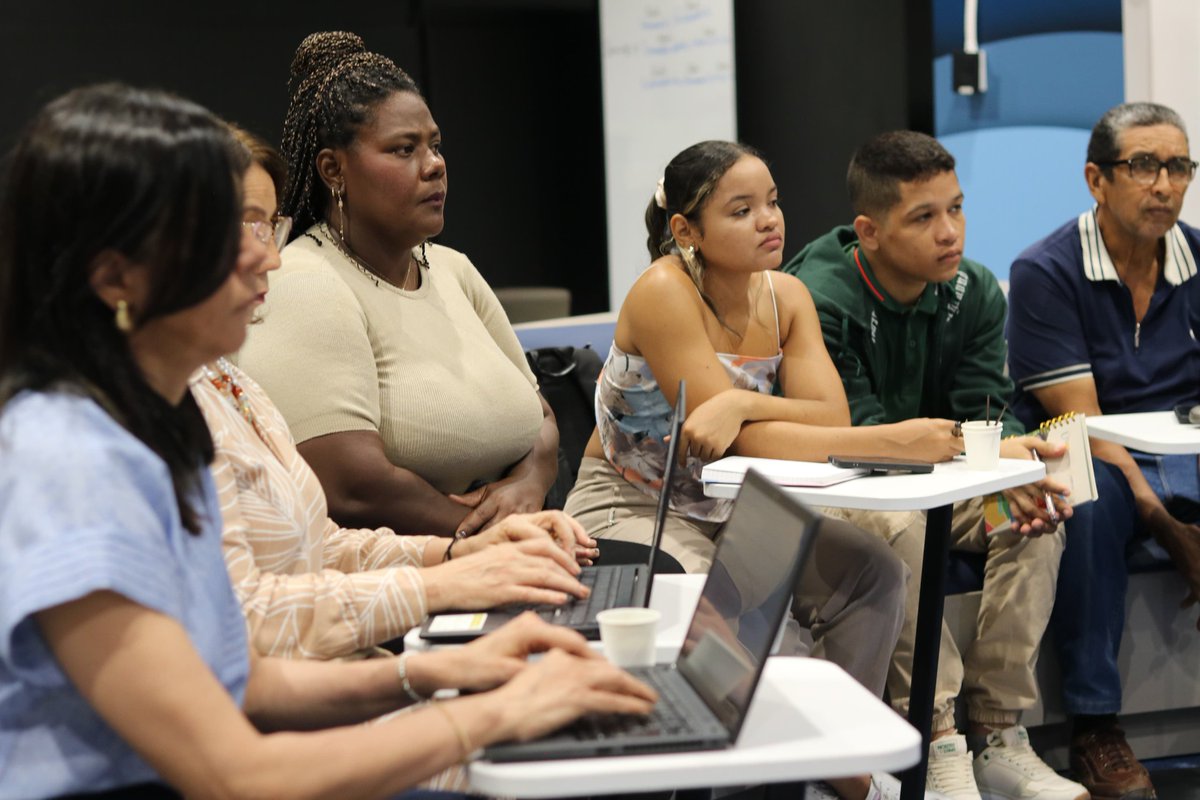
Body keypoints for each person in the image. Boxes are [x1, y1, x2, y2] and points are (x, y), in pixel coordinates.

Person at [0, 82, 655, 799]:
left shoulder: (159, 415)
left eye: (262, 228)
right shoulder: (71, 461)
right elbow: (233, 774)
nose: (268, 260)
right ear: (114, 277)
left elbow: (244, 677)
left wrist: (437, 671)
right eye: (223, 233)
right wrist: (490, 710)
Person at [562, 139, 961, 800]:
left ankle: (833, 757)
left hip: (731, 505)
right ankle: (836, 775)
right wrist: (893, 441)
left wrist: (743, 400)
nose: (769, 220)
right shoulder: (664, 290)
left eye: (771, 202)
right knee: (709, 610)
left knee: (873, 572)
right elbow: (732, 443)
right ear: (686, 231)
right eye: (741, 210)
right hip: (633, 504)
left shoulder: (787, 296)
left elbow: (828, 417)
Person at [199, 126, 597, 659]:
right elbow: (250, 623)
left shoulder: (228, 384)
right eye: (248, 226)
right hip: (331, 670)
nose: (271, 256)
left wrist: (464, 553)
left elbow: (322, 544)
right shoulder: (146, 421)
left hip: (364, 644)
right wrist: (449, 582)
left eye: (270, 227)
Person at [784, 130, 1086, 800]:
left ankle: (1000, 732)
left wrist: (1013, 470)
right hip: (847, 488)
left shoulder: (973, 289)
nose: (950, 232)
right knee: (900, 528)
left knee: (1037, 511)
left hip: (942, 478)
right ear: (869, 231)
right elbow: (857, 438)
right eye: (923, 217)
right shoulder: (818, 297)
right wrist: (987, 451)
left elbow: (988, 410)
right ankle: (939, 734)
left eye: (956, 208)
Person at [239, 30, 557, 537]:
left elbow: (541, 416)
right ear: (333, 169)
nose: (435, 165)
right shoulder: (305, 281)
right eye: (404, 149)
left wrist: (531, 483)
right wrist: (493, 537)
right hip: (413, 563)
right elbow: (351, 487)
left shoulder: (453, 269)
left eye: (435, 145)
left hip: (518, 538)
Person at [1007, 100, 1200, 800]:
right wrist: (1163, 521)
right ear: (1097, 179)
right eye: (1143, 165)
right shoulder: (1045, 270)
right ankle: (1095, 726)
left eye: (1178, 167)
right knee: (1082, 499)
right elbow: (1079, 420)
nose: (1164, 185)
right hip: (1098, 451)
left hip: (1184, 450)